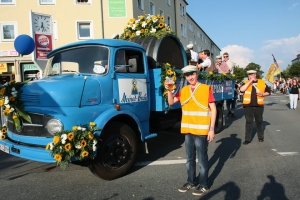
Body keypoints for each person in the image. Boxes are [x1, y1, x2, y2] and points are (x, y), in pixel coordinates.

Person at [165, 65, 216, 196]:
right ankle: (191, 182)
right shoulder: (184, 90)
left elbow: (213, 109)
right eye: (188, 75)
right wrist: (169, 91)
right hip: (188, 130)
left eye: (192, 74)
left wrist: (211, 129)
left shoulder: (205, 88)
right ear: (185, 77)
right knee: (189, 158)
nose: (190, 77)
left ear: (197, 74)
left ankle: (204, 184)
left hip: (201, 130)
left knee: (202, 159)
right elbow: (171, 102)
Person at [239, 70, 270, 145]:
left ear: (255, 75)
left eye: (252, 74)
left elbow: (268, 92)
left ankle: (261, 137)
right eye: (249, 75)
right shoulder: (246, 82)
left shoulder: (262, 82)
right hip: (248, 106)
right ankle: (247, 139)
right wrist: (250, 82)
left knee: (259, 121)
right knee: (249, 122)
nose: (250, 76)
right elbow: (241, 89)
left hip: (259, 106)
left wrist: (262, 94)